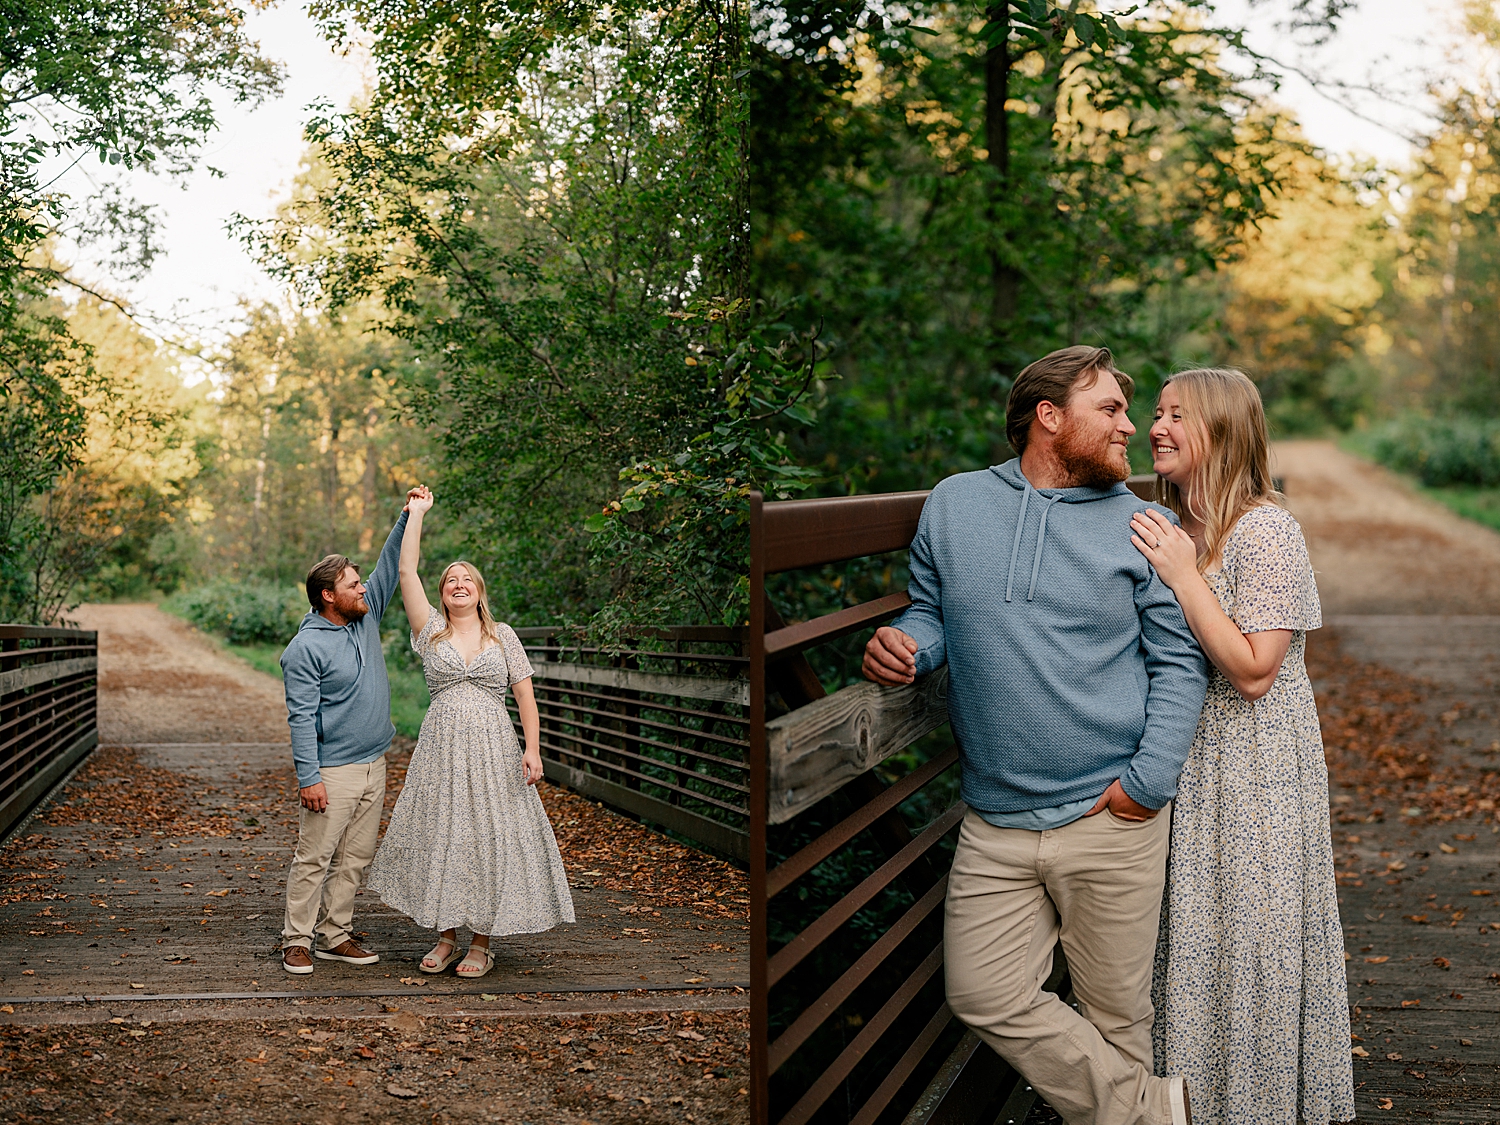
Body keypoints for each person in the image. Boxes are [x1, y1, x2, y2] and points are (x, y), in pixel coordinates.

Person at [864, 345, 1208, 1125]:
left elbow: (1179, 664)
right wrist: (908, 643)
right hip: (994, 818)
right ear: (1049, 416)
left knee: (1119, 1018)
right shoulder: (953, 504)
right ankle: (1155, 1112)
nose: (1134, 426)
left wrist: (1146, 784)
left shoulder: (1144, 526)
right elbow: (932, 608)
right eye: (1112, 409)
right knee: (981, 990)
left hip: (1111, 814)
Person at [1129, 369, 1354, 1125]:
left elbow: (1256, 670)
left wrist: (1185, 577)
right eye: (1154, 413)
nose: (1155, 427)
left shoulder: (1264, 529)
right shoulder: (1171, 526)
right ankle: (1190, 1109)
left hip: (1256, 767)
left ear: (1221, 432)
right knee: (1192, 946)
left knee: (1252, 945)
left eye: (1175, 416)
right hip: (1185, 765)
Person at [367, 485, 574, 978]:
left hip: (494, 749)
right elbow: (405, 571)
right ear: (442, 594)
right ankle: (444, 936)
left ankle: (482, 942)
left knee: (487, 837)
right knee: (445, 835)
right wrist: (416, 513)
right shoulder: (429, 630)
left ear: (479, 591)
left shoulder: (502, 636)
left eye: (466, 579)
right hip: (441, 749)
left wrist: (533, 750)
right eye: (449, 580)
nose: (457, 583)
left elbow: (525, 695)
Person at [279, 497, 416, 974]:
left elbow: (388, 565)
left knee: (355, 858)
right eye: (352, 585)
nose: (363, 588)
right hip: (331, 771)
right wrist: (309, 777)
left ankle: (333, 934)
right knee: (314, 857)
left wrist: (406, 516)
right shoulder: (304, 649)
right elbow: (300, 718)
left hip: (374, 763)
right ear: (328, 597)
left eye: (360, 582)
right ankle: (296, 939)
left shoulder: (367, 614)